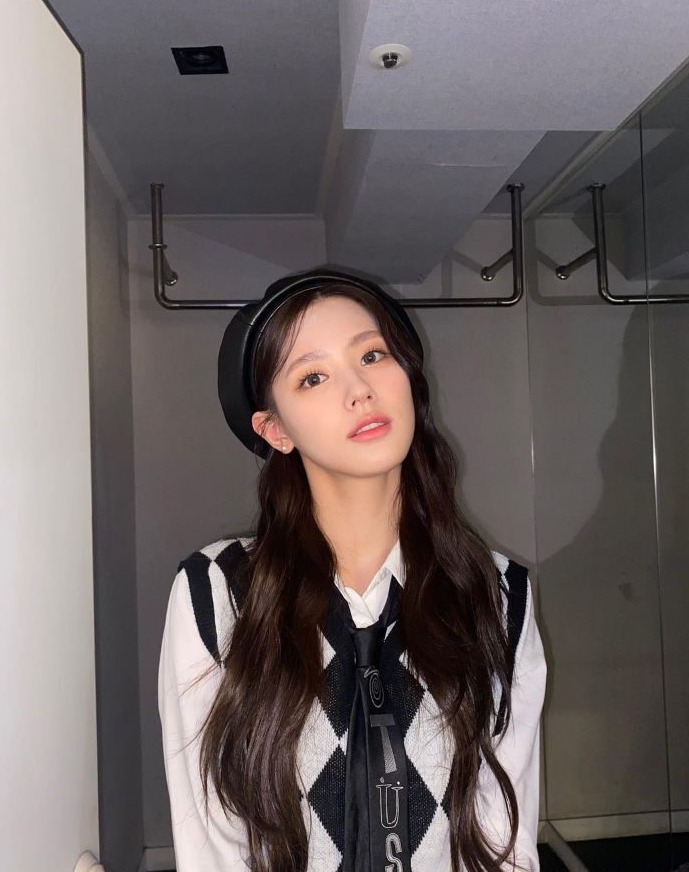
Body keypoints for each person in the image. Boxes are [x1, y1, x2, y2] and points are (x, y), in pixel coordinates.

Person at [158, 267, 547, 872]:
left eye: (372, 355)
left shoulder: (496, 594)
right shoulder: (217, 596)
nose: (359, 389)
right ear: (275, 430)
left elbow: (503, 838)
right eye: (313, 377)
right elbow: (212, 845)